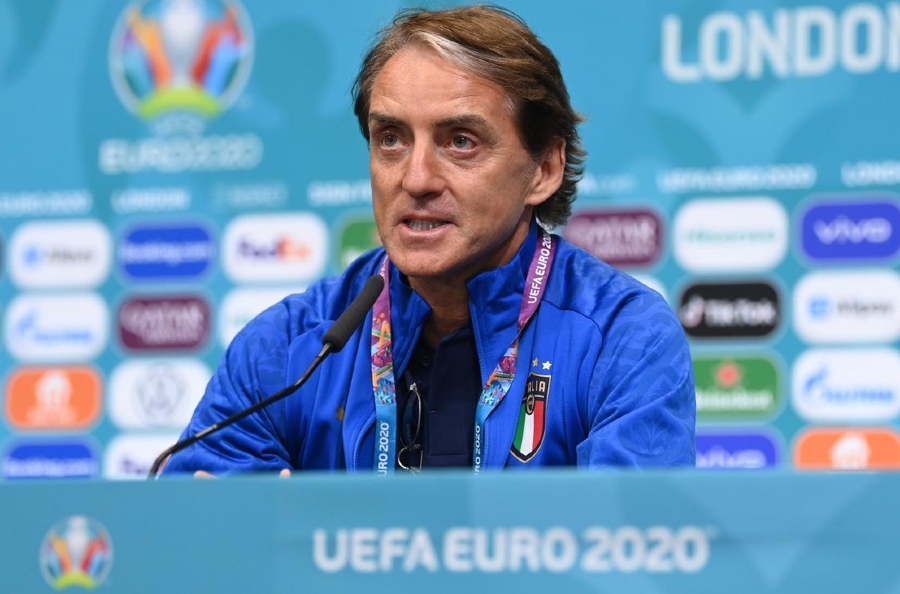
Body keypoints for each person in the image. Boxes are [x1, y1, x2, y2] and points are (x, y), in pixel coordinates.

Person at [162, 5, 695, 476]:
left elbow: (630, 544)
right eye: (391, 139)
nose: (416, 179)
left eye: (460, 141)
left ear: (545, 170)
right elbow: (200, 534)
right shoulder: (290, 350)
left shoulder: (624, 339)